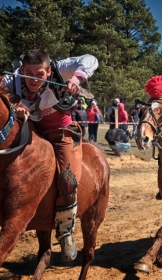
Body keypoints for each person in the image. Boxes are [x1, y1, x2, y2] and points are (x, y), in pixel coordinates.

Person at [2, 49, 98, 262]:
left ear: (48, 72)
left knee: (68, 178)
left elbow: (91, 59)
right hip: (31, 130)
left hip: (60, 131)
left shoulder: (60, 68)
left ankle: (65, 232)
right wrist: (15, 105)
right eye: (29, 73)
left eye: (39, 74)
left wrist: (76, 78)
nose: (33, 79)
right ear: (22, 69)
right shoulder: (15, 77)